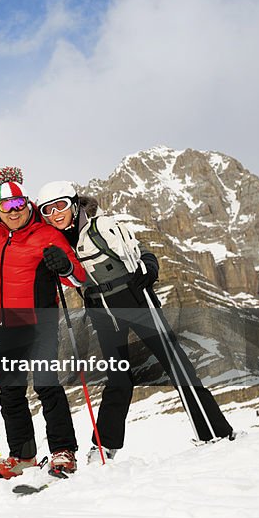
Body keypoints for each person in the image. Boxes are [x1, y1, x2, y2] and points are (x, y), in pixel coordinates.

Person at [35, 180, 234, 461]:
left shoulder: (101, 225)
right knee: (119, 378)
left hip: (135, 299)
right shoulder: (55, 241)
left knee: (176, 365)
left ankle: (215, 432)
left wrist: (149, 268)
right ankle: (104, 446)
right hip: (101, 309)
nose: (56, 214)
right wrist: (62, 267)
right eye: (48, 210)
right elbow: (75, 277)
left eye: (61, 206)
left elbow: (139, 252)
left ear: (73, 202)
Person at [0, 167, 86, 481]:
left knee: (47, 385)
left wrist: (63, 265)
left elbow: (77, 277)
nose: (14, 212)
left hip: (39, 320)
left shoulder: (46, 233)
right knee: (10, 393)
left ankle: (63, 451)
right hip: (5, 323)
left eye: (19, 205)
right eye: (6, 207)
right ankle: (23, 456)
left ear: (27, 203)